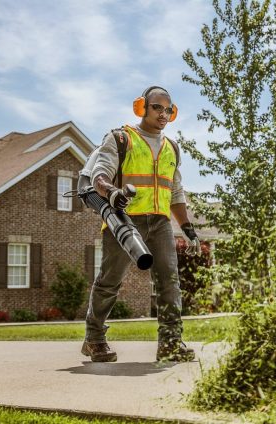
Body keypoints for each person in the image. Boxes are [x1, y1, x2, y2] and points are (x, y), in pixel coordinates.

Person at [80, 85, 201, 363]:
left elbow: (176, 192)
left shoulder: (172, 148)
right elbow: (100, 175)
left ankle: (170, 343)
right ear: (141, 108)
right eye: (157, 107)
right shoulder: (121, 139)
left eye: (168, 109)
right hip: (124, 221)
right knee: (110, 282)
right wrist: (112, 193)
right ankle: (94, 338)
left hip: (159, 223)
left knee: (169, 282)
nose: (163, 113)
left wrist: (188, 230)